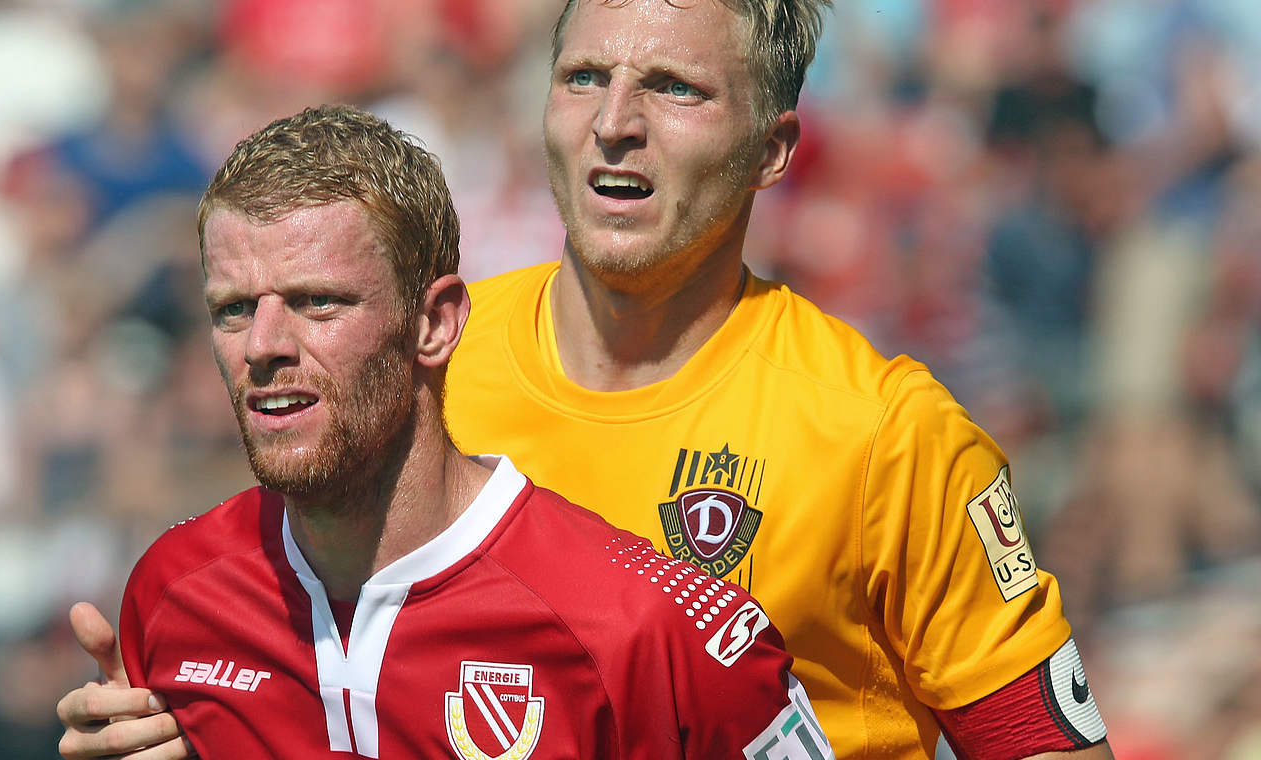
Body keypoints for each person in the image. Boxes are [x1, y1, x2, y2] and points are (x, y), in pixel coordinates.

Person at [59, 0, 1116, 758]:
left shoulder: (886, 435)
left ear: (774, 148)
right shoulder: (414, 354)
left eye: (675, 86)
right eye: (582, 77)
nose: (615, 120)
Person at [56, 104, 834, 759]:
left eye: (317, 302)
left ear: (434, 324)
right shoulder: (175, 593)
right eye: (234, 308)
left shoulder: (648, 632)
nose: (262, 346)